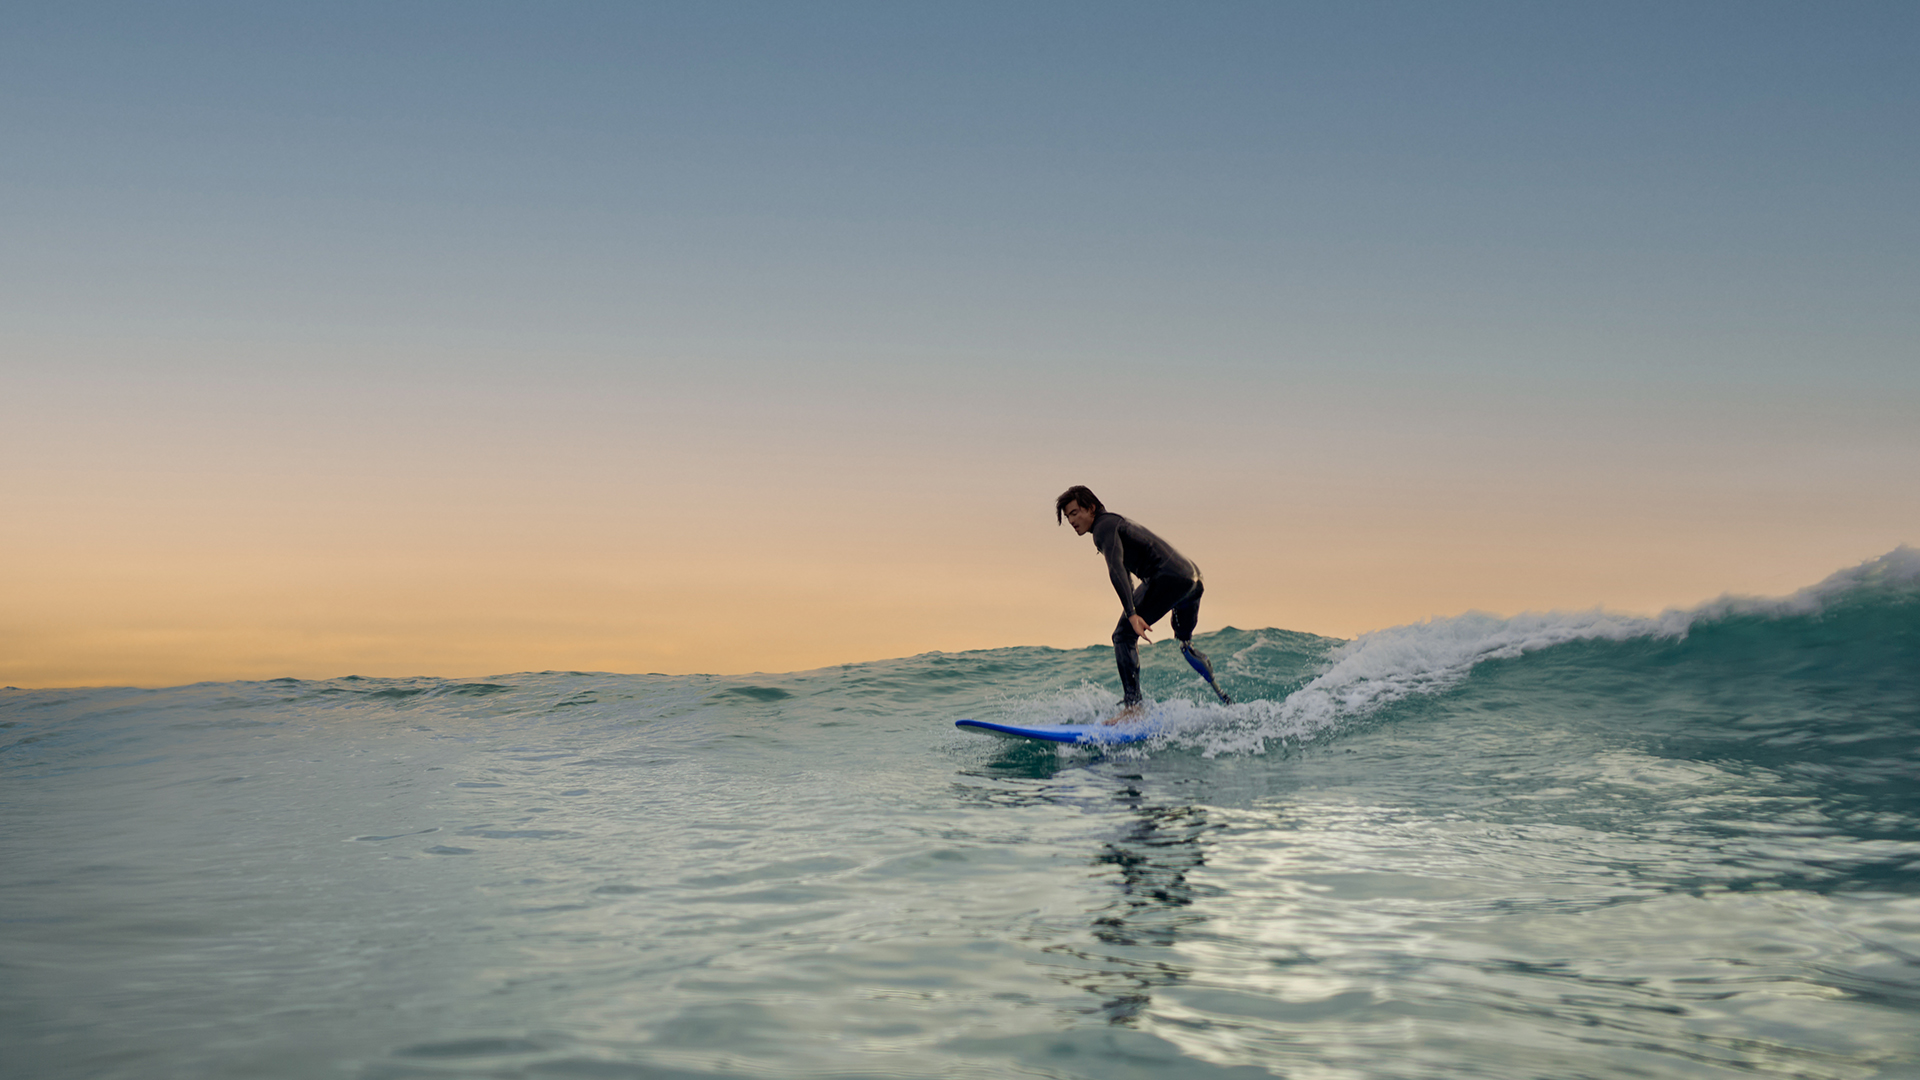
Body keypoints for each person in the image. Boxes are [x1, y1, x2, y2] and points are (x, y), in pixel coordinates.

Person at [1056, 485, 1226, 719]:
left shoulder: (1103, 527)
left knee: (1122, 636)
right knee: (1184, 641)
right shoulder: (1116, 523)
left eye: (1075, 513)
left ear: (1091, 508)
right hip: (1192, 580)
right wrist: (1133, 608)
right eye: (1067, 517)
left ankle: (1133, 708)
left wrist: (1132, 614)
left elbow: (1115, 568)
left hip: (1167, 577)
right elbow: (1125, 572)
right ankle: (1219, 691)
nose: (1071, 521)